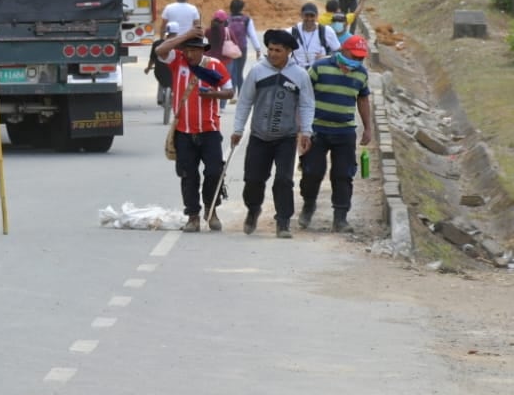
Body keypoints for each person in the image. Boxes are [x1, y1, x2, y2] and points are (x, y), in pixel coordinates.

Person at [232, 28, 315, 238]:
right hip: (259, 136)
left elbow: (306, 105)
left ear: (288, 51)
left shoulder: (300, 75)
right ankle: (253, 209)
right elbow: (244, 102)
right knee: (253, 179)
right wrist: (238, 129)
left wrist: (306, 131)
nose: (273, 54)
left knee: (284, 180)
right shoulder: (257, 72)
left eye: (278, 50)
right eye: (270, 49)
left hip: (286, 137)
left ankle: (283, 221)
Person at [154, 26, 234, 232]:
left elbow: (229, 92)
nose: (189, 54)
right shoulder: (177, 62)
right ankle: (193, 216)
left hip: (210, 130)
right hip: (183, 131)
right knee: (188, 174)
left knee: (215, 171)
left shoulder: (215, 66)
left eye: (194, 50)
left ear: (203, 50)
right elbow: (160, 50)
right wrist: (186, 35)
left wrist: (211, 95)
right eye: (187, 49)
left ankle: (211, 209)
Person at [299, 35, 374, 233]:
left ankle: (340, 217)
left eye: (361, 58)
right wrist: (301, 127)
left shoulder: (361, 74)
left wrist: (368, 127)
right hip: (317, 130)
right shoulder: (319, 67)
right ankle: (308, 206)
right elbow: (304, 95)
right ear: (343, 51)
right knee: (312, 171)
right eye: (354, 56)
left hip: (345, 131)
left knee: (343, 174)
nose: (357, 61)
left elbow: (363, 100)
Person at [224, 0, 262, 90]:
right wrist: (257, 49)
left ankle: (232, 92)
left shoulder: (227, 20)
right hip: (242, 48)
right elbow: (252, 35)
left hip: (229, 49)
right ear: (242, 8)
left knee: (232, 71)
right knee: (239, 71)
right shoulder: (246, 20)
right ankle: (241, 92)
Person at [289, 2, 342, 67]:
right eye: (306, 15)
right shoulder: (292, 31)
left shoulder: (327, 31)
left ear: (317, 16)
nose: (309, 19)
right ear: (301, 15)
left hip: (319, 71)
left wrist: (326, 57)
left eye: (312, 16)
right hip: (297, 72)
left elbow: (340, 52)